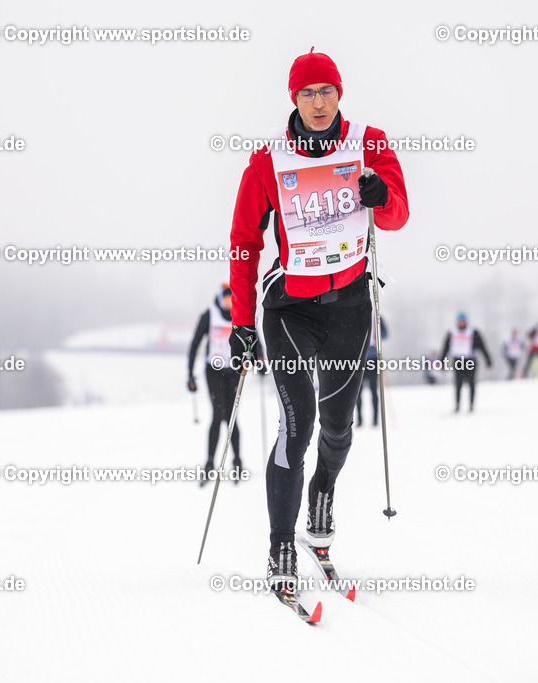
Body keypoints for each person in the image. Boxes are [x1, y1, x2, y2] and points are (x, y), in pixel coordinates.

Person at [227, 49, 409, 590]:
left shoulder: (370, 144)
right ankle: (281, 545)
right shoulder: (268, 159)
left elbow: (398, 214)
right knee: (297, 423)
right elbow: (244, 241)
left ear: (339, 93)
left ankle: (322, 495)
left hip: (350, 306)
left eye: (326, 91)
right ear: (294, 99)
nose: (318, 102)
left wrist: (382, 194)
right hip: (289, 309)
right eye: (306, 93)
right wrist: (241, 322)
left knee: (337, 427)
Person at [187, 283, 263, 486]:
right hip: (213, 371)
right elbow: (195, 344)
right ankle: (210, 464)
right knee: (218, 414)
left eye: (232, 297)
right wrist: (190, 375)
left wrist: (260, 359)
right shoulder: (210, 315)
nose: (229, 301)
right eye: (226, 297)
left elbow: (253, 337)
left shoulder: (240, 314)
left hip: (234, 370)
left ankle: (237, 463)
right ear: (221, 298)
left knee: (232, 416)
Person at [441, 312, 492, 413]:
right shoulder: (452, 333)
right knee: (458, 384)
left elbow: (482, 346)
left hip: (470, 360)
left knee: (471, 383)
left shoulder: (473, 332)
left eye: (463, 321)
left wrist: (487, 360)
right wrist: (442, 362)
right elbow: (445, 348)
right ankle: (457, 406)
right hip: (458, 360)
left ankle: (471, 406)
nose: (462, 323)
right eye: (460, 321)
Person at [355, 316, 387, 427]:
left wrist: (377, 333)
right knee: (358, 392)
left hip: (373, 359)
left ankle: (375, 419)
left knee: (374, 391)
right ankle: (359, 420)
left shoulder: (378, 317)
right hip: (360, 359)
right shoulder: (359, 316)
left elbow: (385, 334)